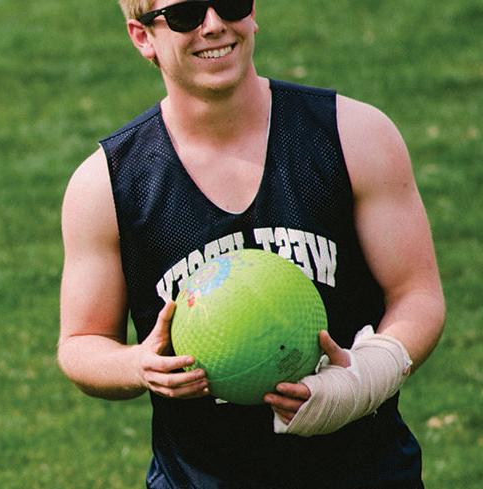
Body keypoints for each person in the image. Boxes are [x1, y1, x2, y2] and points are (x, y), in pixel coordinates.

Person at [57, 0, 445, 487]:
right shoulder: (108, 184)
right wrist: (138, 365)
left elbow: (417, 294)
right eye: (185, 14)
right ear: (142, 37)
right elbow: (80, 343)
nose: (214, 25)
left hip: (367, 472)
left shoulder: (354, 135)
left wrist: (363, 378)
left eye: (232, 3)